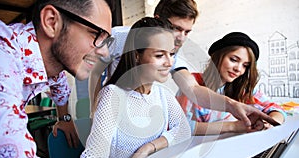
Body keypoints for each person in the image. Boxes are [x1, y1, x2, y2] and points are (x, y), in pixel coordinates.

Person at [88, 0, 280, 130]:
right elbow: (92, 71)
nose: (181, 38)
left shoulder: (172, 56)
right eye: (176, 28)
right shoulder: (118, 37)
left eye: (187, 32)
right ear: (157, 20)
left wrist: (232, 105)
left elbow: (194, 90)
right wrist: (91, 111)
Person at [62, 17, 191, 158]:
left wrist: (149, 147)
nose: (169, 62)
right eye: (160, 55)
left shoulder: (163, 94)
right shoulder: (112, 96)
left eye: (171, 54)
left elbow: (183, 130)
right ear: (137, 55)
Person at [0, 0, 113, 158]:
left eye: (107, 41)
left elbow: (61, 88)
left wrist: (65, 119)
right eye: (96, 35)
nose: (105, 52)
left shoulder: (50, 66)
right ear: (51, 22)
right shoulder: (3, 54)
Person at [176, 32, 286, 135]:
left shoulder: (242, 90)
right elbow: (179, 128)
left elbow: (276, 109)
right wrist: (234, 126)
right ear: (218, 56)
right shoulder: (192, 83)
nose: (239, 69)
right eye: (234, 60)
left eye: (245, 65)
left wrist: (270, 123)